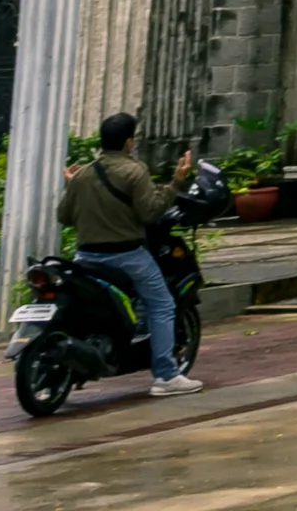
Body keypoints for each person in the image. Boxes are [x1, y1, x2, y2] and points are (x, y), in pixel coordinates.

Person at [59, 114, 200, 396]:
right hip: (125, 256)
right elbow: (150, 212)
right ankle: (166, 376)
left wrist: (75, 188)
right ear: (128, 142)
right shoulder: (134, 171)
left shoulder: (84, 174)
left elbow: (63, 215)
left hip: (85, 258)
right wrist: (176, 182)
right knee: (162, 305)